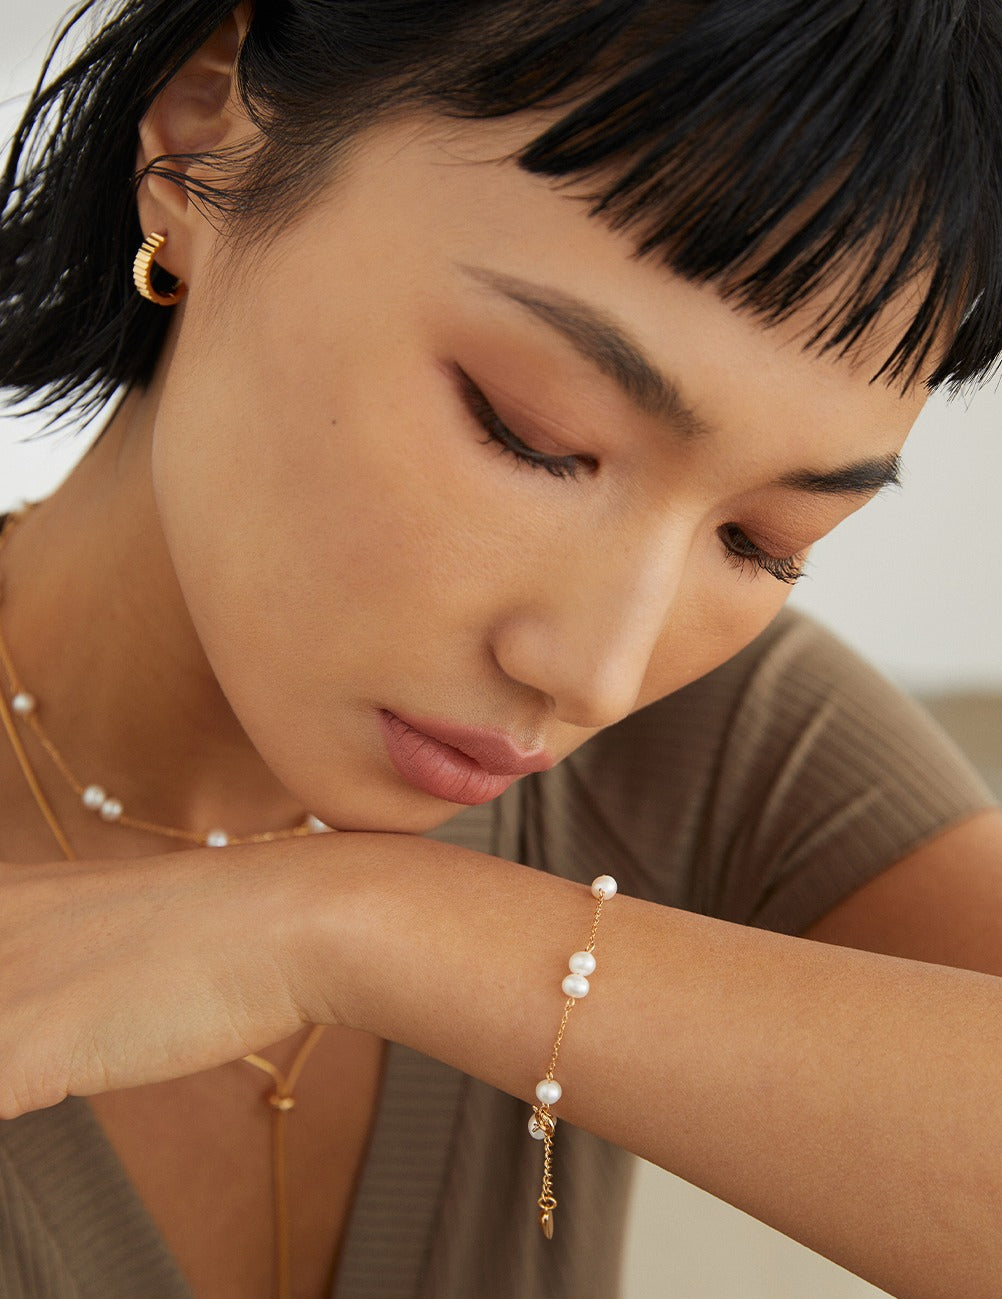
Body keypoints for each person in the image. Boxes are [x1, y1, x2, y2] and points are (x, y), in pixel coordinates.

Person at [0, 2, 1000, 1298]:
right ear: (206, 134)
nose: (595, 672)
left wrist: (362, 927)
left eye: (762, 540)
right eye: (530, 431)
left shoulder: (714, 740)